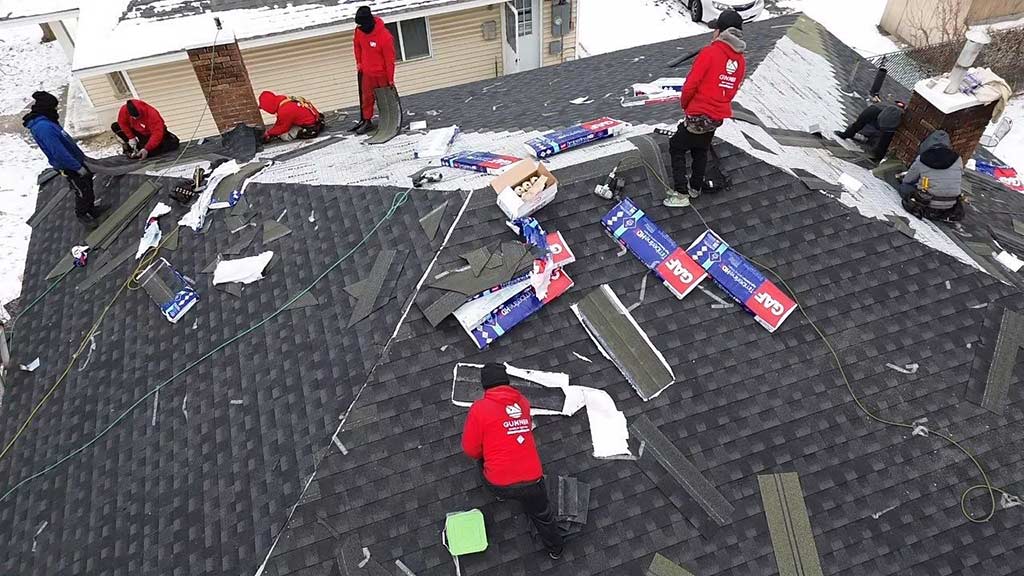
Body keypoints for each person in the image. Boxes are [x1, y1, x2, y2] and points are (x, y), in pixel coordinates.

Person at [461, 363, 564, 559]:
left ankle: (499, 495)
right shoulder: (523, 402)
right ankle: (555, 549)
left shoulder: (479, 409)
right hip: (533, 480)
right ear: (506, 381)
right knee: (543, 516)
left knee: (481, 459)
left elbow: (470, 449)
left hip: (501, 484)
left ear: (485, 386)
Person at [665, 9, 747, 207]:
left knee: (676, 146)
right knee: (700, 148)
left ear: (720, 32)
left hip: (698, 114)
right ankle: (695, 188)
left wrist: (686, 106)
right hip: (716, 118)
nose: (712, 33)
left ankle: (681, 194)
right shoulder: (740, 61)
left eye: (715, 29)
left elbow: (691, 85)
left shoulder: (710, 52)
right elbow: (732, 90)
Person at [23, 91, 109, 228]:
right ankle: (82, 214)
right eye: (54, 107)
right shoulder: (43, 127)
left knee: (87, 184)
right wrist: (76, 167)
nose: (56, 110)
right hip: (69, 166)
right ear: (47, 107)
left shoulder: (47, 122)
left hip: (76, 160)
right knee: (82, 189)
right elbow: (59, 152)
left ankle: (91, 209)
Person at [898, 129, 965, 221]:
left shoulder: (922, 158)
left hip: (927, 202)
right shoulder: (958, 159)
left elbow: (908, 180)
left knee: (905, 187)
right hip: (951, 203)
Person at [351, 5, 396, 135]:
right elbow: (357, 46)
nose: (359, 27)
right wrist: (359, 63)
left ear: (368, 23)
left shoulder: (385, 37)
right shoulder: (359, 31)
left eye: (361, 24)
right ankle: (366, 120)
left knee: (384, 99)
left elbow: (389, 60)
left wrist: (390, 79)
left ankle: (388, 119)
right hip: (367, 73)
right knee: (366, 99)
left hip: (381, 74)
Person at [833, 100, 906, 163]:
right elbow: (858, 124)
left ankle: (878, 155)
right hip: (873, 118)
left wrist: (879, 156)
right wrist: (847, 134)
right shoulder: (871, 111)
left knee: (885, 139)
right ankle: (847, 134)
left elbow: (886, 140)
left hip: (885, 125)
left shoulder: (896, 119)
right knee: (858, 125)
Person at [112, 99, 180, 160]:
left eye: (137, 117)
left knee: (148, 153)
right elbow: (122, 123)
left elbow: (157, 134)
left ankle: (141, 149)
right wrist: (131, 137)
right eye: (133, 117)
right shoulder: (124, 110)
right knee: (115, 126)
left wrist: (146, 148)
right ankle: (131, 147)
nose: (135, 119)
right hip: (138, 131)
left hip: (151, 134)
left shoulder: (152, 114)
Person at [258, 91, 325, 142]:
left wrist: (269, 134)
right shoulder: (288, 100)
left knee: (284, 135)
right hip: (318, 121)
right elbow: (280, 122)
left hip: (310, 128)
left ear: (269, 107)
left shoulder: (285, 110)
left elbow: (282, 127)